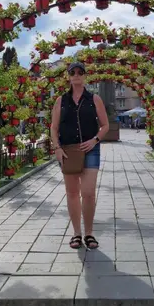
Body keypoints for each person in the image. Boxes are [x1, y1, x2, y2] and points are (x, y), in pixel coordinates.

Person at [51, 62, 109, 250]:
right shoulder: (61, 100)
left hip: (90, 149)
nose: (76, 75)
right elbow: (54, 127)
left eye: (80, 72)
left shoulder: (94, 99)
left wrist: (95, 140)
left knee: (89, 193)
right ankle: (76, 233)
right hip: (68, 150)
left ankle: (89, 233)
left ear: (85, 76)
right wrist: (57, 148)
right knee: (73, 193)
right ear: (68, 76)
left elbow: (105, 125)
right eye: (73, 72)